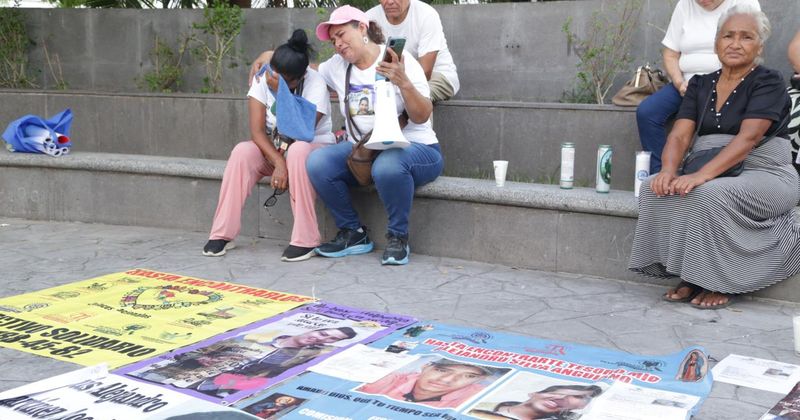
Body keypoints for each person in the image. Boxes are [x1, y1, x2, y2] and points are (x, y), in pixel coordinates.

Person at [628, 6, 800, 309]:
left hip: (767, 172)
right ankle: (691, 275)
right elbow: (680, 135)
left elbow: (748, 139)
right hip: (713, 168)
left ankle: (722, 281)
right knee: (654, 188)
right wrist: (669, 170)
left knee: (708, 194)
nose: (735, 43)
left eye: (746, 37)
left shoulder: (768, 81)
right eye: (728, 36)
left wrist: (699, 175)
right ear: (716, 42)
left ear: (759, 45)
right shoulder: (700, 83)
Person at [307, 5, 443, 266]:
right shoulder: (337, 66)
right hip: (365, 150)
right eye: (333, 39)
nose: (338, 43)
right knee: (318, 162)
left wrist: (403, 82)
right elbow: (308, 69)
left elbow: (422, 115)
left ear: (361, 28)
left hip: (419, 149)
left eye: (342, 34)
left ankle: (398, 237)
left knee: (388, 164)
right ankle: (353, 233)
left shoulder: (397, 59)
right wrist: (269, 58)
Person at [202, 29, 335, 262]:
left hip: (313, 148)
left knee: (298, 150)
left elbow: (301, 131)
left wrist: (280, 93)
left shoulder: (315, 84)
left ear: (300, 77)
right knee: (242, 152)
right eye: (274, 73)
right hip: (277, 149)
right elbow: (256, 131)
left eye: (284, 80)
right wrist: (277, 162)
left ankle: (306, 239)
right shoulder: (264, 77)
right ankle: (222, 233)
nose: (273, 79)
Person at [636, 0, 760, 174]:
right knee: (648, 111)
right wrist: (679, 83)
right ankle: (660, 173)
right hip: (687, 84)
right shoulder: (684, 5)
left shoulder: (744, 3)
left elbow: (751, 48)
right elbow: (671, 53)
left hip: (729, 81)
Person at [132, 327, 356, 391]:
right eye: (324, 333)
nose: (320, 339)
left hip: (219, 387)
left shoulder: (307, 356)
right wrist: (200, 359)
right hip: (182, 372)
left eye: (329, 340)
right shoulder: (260, 335)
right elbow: (201, 350)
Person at [365, 0, 459, 102]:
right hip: (389, 78)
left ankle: (404, 116)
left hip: (437, 75)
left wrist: (398, 87)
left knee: (418, 95)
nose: (390, 2)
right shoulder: (368, 19)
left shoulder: (426, 14)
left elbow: (425, 72)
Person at [357, 359, 500, 409]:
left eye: (469, 376)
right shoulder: (389, 379)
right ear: (425, 366)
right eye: (442, 370)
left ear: (478, 380)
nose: (447, 379)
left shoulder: (476, 398)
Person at [467, 384, 603, 420]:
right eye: (556, 394)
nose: (560, 399)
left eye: (573, 398)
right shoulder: (476, 406)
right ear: (534, 394)